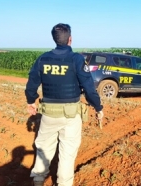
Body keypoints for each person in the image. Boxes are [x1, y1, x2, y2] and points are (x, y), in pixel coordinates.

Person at [25, 23, 104, 186]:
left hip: (48, 114)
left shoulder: (43, 59)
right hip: (70, 115)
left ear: (54, 39)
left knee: (43, 149)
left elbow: (31, 84)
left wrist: (31, 101)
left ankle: (38, 181)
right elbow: (89, 88)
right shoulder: (76, 59)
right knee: (67, 154)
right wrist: (98, 107)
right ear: (70, 39)